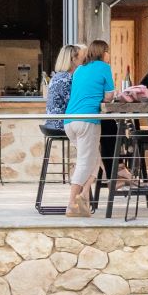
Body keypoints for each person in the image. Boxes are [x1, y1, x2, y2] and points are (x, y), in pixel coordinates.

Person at [63, 40, 112, 216]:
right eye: (108, 52)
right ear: (103, 52)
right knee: (85, 161)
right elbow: (109, 96)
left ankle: (83, 198)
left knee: (94, 160)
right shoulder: (104, 67)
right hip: (88, 120)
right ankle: (70, 204)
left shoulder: (79, 69)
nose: (109, 55)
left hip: (69, 121)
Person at [43, 45, 81, 137]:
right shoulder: (67, 78)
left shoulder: (56, 77)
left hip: (51, 123)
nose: (82, 61)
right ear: (73, 59)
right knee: (100, 126)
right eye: (79, 57)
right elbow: (73, 103)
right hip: (61, 124)